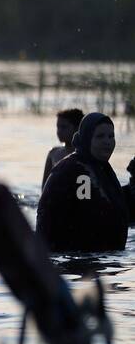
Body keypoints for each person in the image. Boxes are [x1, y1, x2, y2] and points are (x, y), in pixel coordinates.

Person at [36, 112, 135, 252]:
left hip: (95, 255)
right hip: (74, 259)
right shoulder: (78, 171)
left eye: (111, 136)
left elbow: (112, 205)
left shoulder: (100, 168)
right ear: (87, 139)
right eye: (100, 136)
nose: (107, 141)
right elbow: (91, 209)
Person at [43, 108, 84, 186]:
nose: (59, 131)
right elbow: (44, 187)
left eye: (64, 127)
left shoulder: (85, 154)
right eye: (58, 127)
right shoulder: (53, 153)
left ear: (77, 128)